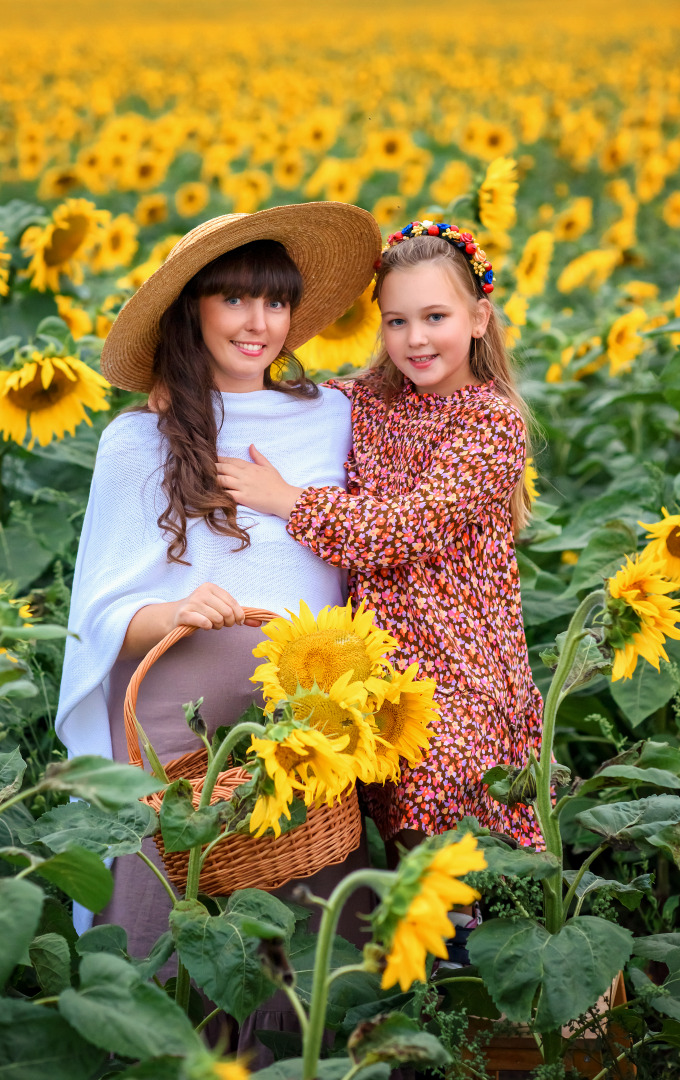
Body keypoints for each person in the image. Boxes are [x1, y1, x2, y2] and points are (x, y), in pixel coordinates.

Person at [54, 203, 381, 1050]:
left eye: (274, 303)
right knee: (175, 920)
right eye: (234, 300)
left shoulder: (333, 417)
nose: (258, 323)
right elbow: (98, 608)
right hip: (176, 722)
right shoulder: (138, 440)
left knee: (303, 927)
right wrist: (176, 608)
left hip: (301, 719)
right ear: (191, 310)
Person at [217, 219, 546, 959]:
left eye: (435, 317)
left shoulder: (491, 424)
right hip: (375, 672)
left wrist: (286, 500)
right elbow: (281, 402)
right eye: (396, 320)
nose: (415, 339)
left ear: (479, 318)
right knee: (369, 840)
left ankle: (466, 990)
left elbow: (405, 527)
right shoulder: (365, 400)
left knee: (448, 841)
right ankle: (407, 999)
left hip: (461, 673)